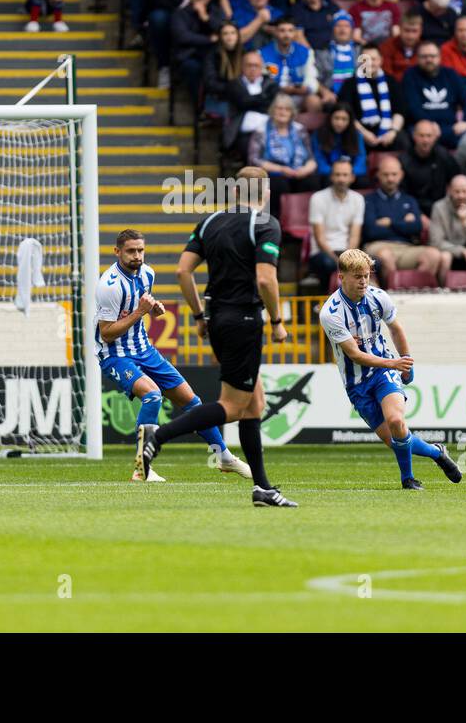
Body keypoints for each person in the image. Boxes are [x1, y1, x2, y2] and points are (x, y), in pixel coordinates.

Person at [140, 166, 295, 507]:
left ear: (236, 192)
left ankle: (263, 489)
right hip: (244, 320)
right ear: (265, 194)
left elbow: (183, 270)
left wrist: (198, 315)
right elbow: (267, 281)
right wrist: (278, 321)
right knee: (233, 406)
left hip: (218, 321)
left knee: (254, 404)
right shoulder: (265, 224)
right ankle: (159, 435)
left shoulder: (210, 222)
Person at [98, 230, 249, 483]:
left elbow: (142, 305)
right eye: (131, 251)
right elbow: (106, 334)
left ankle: (222, 456)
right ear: (117, 252)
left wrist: (153, 309)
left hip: (144, 349)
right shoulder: (109, 286)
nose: (137, 256)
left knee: (193, 403)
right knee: (152, 395)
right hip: (115, 354)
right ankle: (141, 469)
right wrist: (139, 313)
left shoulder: (148, 273)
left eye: (140, 250)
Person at [318, 249, 462, 490]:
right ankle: (437, 453)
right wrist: (394, 363)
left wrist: (405, 360)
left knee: (396, 420)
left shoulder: (378, 297)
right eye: (357, 276)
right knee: (396, 441)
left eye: (366, 275)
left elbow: (396, 329)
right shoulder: (330, 313)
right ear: (341, 277)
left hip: (384, 372)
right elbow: (354, 354)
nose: (363, 281)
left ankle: (408, 479)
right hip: (357, 384)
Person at [362, 155, 442, 282]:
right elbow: (371, 231)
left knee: (434, 254)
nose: (390, 178)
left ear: (401, 175)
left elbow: (416, 227)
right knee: (386, 256)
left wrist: (390, 222)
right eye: (386, 174)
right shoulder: (368, 200)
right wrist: (403, 223)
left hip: (407, 247)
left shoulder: (409, 200)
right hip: (378, 246)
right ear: (378, 175)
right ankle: (390, 297)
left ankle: (413, 291)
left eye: (394, 174)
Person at [246, 93, 317, 214]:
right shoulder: (261, 130)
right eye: (279, 108)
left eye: (287, 109)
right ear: (273, 111)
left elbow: (311, 158)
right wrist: (281, 169)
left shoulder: (300, 130)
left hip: (297, 171)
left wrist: (305, 170)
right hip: (272, 174)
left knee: (311, 181)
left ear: (292, 113)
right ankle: (278, 220)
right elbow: (254, 160)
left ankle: (301, 221)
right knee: (279, 184)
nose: (283, 112)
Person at [306, 158, 365, 281]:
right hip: (323, 253)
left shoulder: (358, 199)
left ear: (352, 177)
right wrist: (339, 262)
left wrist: (348, 259)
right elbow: (320, 239)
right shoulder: (318, 198)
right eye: (337, 175)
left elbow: (355, 236)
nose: (341, 179)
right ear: (331, 177)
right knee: (329, 264)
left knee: (375, 263)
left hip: (346, 251)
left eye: (345, 175)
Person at [429, 172, 466, 282]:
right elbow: (436, 242)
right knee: (444, 257)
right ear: (449, 191)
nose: (461, 195)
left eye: (464, 191)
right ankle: (441, 293)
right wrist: (463, 251)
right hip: (449, 251)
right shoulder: (438, 207)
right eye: (457, 192)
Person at [400, 117, 461, 211]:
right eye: (421, 136)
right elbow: (402, 194)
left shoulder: (443, 155)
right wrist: (418, 214)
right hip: (413, 209)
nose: (425, 140)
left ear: (435, 137)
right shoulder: (404, 160)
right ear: (414, 136)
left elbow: (457, 179)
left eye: (429, 136)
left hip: (441, 208)